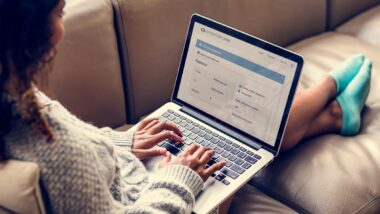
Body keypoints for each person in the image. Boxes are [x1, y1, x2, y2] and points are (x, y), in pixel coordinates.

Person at [0, 0, 371, 213]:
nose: (62, 26)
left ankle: (334, 115)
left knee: (233, 137)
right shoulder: (56, 158)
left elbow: (76, 146)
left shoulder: (14, 95)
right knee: (237, 140)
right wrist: (181, 177)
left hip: (136, 177)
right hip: (164, 198)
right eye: (60, 12)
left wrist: (122, 144)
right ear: (28, 32)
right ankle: (328, 91)